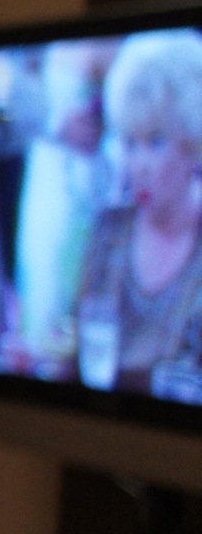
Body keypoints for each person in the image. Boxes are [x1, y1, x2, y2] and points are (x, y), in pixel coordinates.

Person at [72, 30, 202, 396]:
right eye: (130, 143)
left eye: (155, 142)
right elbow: (76, 356)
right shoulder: (109, 230)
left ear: (193, 146)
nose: (138, 165)